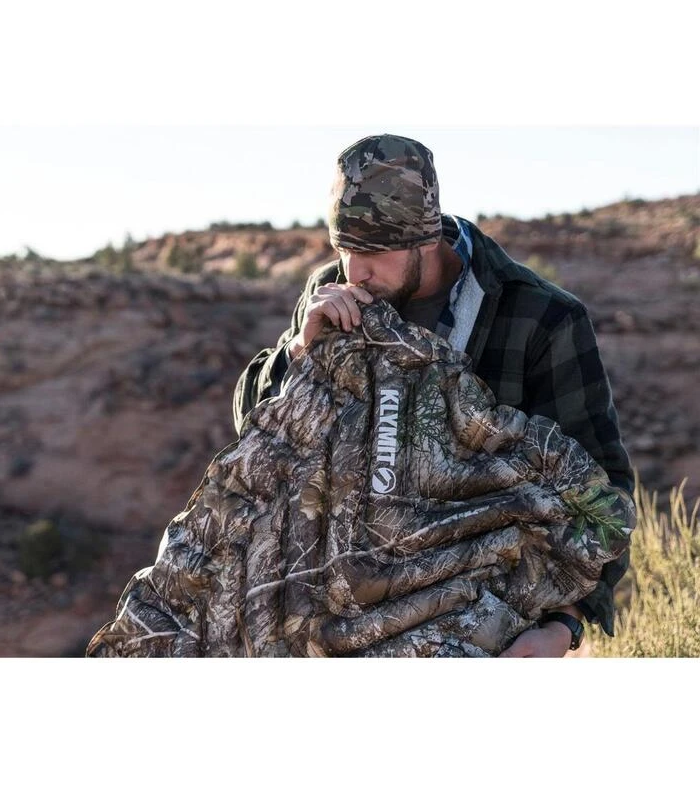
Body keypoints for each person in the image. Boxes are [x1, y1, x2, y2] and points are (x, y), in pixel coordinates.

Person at [233, 133, 634, 657]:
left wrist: (563, 625)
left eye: (373, 251)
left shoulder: (539, 318)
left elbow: (605, 491)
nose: (356, 271)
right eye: (344, 248)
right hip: (341, 626)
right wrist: (300, 351)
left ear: (425, 237)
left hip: (482, 625)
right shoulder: (330, 293)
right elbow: (254, 433)